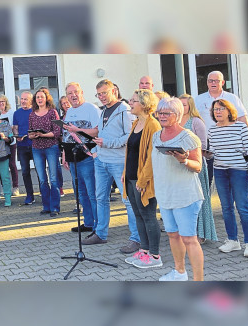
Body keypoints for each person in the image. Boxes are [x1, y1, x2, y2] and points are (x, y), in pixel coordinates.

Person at [81, 79, 140, 255]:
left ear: (114, 90)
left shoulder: (125, 110)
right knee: (101, 198)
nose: (101, 97)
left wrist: (107, 143)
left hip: (119, 161)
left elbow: (129, 137)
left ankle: (136, 239)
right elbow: (100, 132)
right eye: (98, 94)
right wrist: (97, 149)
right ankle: (100, 233)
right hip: (101, 160)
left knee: (128, 201)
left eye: (104, 93)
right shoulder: (103, 110)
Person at [152, 97, 204, 281]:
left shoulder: (188, 136)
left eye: (166, 113)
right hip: (165, 194)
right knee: (173, 235)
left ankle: (198, 281)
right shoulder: (156, 136)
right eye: (160, 113)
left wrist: (184, 160)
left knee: (189, 238)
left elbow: (198, 166)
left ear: (178, 115)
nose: (162, 116)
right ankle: (179, 272)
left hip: (185, 195)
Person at [208, 99, 248, 258]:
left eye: (221, 108)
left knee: (242, 207)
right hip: (220, 171)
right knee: (226, 207)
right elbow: (214, 152)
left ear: (229, 111)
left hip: (238, 171)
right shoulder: (212, 130)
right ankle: (232, 240)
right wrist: (205, 153)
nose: (218, 111)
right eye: (215, 109)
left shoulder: (240, 127)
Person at [122, 89, 163, 269]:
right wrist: (125, 173)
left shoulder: (153, 125)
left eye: (133, 100)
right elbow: (131, 151)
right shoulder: (136, 122)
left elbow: (152, 157)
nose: (130, 103)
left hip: (143, 180)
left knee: (148, 215)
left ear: (145, 104)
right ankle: (144, 251)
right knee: (138, 215)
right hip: (131, 177)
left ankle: (154, 256)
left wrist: (143, 180)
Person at [195, 70, 248, 186]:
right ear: (207, 82)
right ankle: (207, 202)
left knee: (231, 176)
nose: (213, 83)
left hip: (230, 143)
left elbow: (242, 119)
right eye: (210, 81)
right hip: (208, 142)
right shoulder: (199, 99)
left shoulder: (232, 98)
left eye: (216, 80)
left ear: (223, 82)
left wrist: (247, 141)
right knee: (207, 177)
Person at [62, 82, 100, 232]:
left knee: (92, 193)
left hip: (87, 157)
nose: (73, 95)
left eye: (76, 92)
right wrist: (64, 154)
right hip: (73, 159)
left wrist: (77, 129)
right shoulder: (69, 111)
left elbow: (97, 131)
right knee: (81, 193)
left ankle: (99, 226)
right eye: (70, 93)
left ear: (82, 92)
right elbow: (67, 135)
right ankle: (88, 222)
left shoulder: (91, 109)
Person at [178, 94, 216, 244]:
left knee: (199, 200)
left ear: (190, 106)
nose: (182, 108)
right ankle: (187, 232)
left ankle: (201, 233)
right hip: (180, 167)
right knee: (184, 201)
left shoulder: (196, 122)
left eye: (185, 105)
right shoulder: (174, 121)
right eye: (179, 105)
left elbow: (202, 146)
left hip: (195, 165)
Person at [29, 88, 62, 217]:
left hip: (51, 147)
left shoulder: (53, 112)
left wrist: (44, 134)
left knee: (53, 179)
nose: (39, 99)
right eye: (37, 97)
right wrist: (33, 135)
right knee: (42, 179)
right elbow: (30, 133)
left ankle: (55, 207)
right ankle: (46, 206)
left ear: (46, 98)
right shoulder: (32, 114)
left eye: (42, 97)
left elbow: (57, 132)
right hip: (36, 148)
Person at [13, 91, 37, 206]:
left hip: (35, 145)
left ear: (31, 101)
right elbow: (16, 128)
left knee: (40, 170)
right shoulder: (16, 113)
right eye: (21, 99)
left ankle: (45, 194)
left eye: (25, 99)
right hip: (22, 146)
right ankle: (29, 196)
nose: (22, 101)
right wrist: (17, 135)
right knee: (25, 172)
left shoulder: (35, 112)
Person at [0, 94, 20, 196]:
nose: (1, 104)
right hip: (0, 144)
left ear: (6, 103)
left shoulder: (11, 113)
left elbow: (14, 127)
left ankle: (15, 187)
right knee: (2, 166)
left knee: (12, 164)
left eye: (3, 102)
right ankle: (4, 187)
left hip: (11, 142)